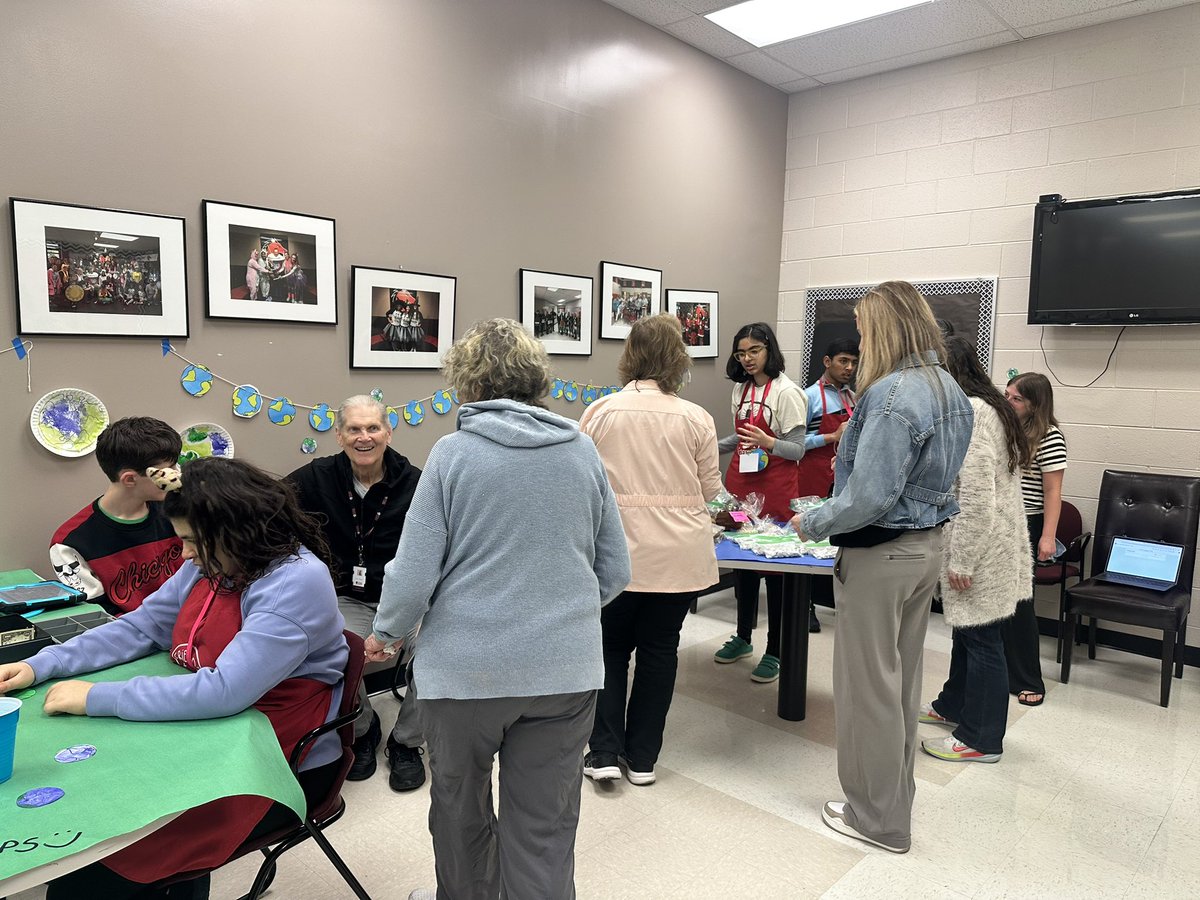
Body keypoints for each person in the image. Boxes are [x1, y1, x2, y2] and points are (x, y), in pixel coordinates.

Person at [0, 458, 349, 900]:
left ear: (238, 530)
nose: (184, 554)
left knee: (116, 848)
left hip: (277, 749)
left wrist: (96, 697)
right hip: (222, 722)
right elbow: (142, 626)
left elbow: (225, 692)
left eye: (191, 541)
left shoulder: (294, 581)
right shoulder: (215, 560)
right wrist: (43, 664)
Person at [366, 318, 630, 900]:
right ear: (538, 381)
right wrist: (562, 611)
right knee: (546, 823)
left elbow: (412, 571)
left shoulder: (452, 455)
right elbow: (616, 571)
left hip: (465, 676)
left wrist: (385, 632)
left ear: (465, 383)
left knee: (460, 811)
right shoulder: (582, 451)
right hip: (565, 672)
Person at [793, 281, 973, 854]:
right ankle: (892, 804)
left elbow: (869, 496)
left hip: (882, 554)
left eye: (866, 329)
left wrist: (814, 523)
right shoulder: (948, 388)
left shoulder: (892, 394)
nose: (862, 340)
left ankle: (876, 819)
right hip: (925, 552)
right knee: (898, 685)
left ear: (887, 327)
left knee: (868, 690)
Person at [579, 314, 722, 786]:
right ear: (678, 358)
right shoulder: (697, 417)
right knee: (661, 651)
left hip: (616, 556)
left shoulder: (600, 413)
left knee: (610, 650)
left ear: (629, 356)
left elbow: (582, 486)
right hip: (679, 557)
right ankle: (642, 760)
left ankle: (602, 753)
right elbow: (711, 493)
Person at [288, 395, 425, 790]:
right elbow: (266, 508)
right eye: (354, 429)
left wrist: (403, 616)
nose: (364, 437)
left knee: (437, 655)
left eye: (372, 428)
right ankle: (362, 729)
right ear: (339, 435)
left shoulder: (416, 482)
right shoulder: (315, 477)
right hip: (346, 597)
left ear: (388, 432)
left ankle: (407, 741)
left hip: (407, 596)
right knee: (332, 650)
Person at [921, 336, 1033, 764]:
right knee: (967, 635)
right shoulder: (989, 407)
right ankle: (953, 706)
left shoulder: (971, 411)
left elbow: (976, 494)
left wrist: (962, 557)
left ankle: (982, 738)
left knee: (983, 640)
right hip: (993, 537)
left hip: (982, 543)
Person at [713, 322, 808, 684]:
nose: (748, 359)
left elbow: (797, 449)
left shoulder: (787, 393)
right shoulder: (740, 389)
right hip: (740, 487)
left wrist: (769, 442)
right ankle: (743, 636)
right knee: (743, 564)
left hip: (777, 491)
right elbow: (738, 439)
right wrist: (706, 445)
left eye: (755, 350)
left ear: (769, 349)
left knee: (778, 572)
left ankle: (775, 649)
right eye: (741, 353)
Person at [50, 416, 184, 614]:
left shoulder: (180, 511)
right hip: (131, 635)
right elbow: (99, 617)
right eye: (168, 470)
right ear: (130, 479)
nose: (177, 474)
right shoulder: (69, 544)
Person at [1002, 372, 1067, 707]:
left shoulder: (1050, 436)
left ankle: (1029, 679)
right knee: (999, 602)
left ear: (1034, 404)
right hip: (1003, 521)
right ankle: (1003, 672)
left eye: (1017, 398)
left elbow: (1053, 492)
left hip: (1029, 523)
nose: (1008, 401)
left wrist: (1048, 537)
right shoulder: (1009, 429)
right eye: (1008, 394)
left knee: (1021, 604)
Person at [798, 337, 859, 633]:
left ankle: (836, 601)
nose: (849, 368)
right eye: (843, 361)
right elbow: (794, 443)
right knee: (810, 537)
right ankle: (805, 604)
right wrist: (831, 437)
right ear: (827, 362)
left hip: (841, 477)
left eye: (853, 362)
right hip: (810, 474)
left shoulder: (853, 397)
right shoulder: (808, 397)